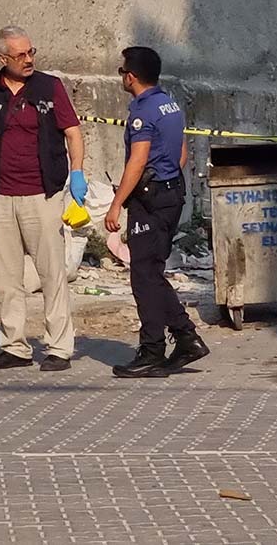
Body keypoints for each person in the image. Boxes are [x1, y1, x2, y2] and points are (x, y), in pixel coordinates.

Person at [0, 26, 87, 372]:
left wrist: (77, 171)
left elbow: (73, 133)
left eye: (31, 52)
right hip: (0, 194)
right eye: (21, 55)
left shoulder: (50, 87)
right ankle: (14, 347)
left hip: (41, 194)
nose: (29, 59)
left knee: (52, 274)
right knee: (5, 277)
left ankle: (59, 347)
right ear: (3, 58)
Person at [104, 47, 209, 378]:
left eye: (122, 71)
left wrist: (117, 204)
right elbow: (181, 154)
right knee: (152, 271)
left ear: (131, 76)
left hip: (150, 200)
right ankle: (185, 337)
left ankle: (152, 350)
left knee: (144, 276)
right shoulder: (170, 104)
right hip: (171, 193)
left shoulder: (143, 111)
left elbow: (137, 161)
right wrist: (164, 178)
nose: (122, 76)